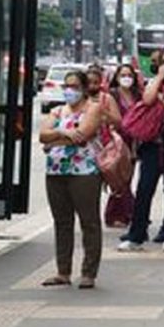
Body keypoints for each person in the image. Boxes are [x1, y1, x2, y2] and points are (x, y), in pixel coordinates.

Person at [117, 44, 164, 253]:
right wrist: (160, 80)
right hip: (152, 143)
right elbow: (147, 99)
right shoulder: (154, 83)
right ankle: (136, 234)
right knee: (144, 189)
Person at [39, 71, 103, 289]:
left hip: (84, 171)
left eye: (75, 86)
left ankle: (88, 273)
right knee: (62, 222)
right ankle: (63, 272)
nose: (69, 90)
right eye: (66, 86)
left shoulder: (93, 108)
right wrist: (65, 134)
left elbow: (84, 134)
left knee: (89, 222)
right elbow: (42, 135)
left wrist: (54, 140)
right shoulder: (57, 110)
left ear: (84, 88)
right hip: (56, 171)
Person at [103, 64, 142, 228]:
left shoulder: (137, 95)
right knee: (118, 179)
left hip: (133, 141)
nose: (126, 78)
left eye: (129, 75)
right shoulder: (111, 95)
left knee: (128, 177)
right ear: (117, 77)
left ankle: (127, 212)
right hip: (117, 140)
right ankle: (121, 213)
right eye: (123, 75)